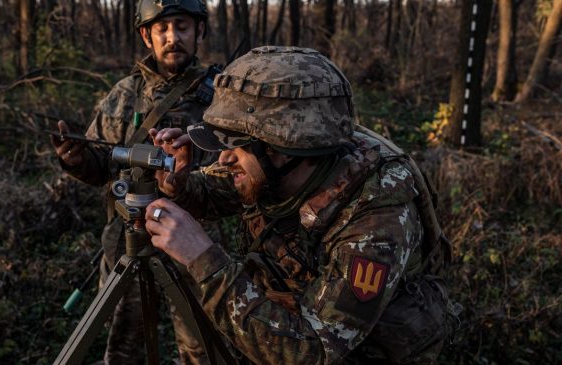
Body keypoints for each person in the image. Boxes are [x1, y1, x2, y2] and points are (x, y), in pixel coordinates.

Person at [144, 46, 455, 364]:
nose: (223, 158)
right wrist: (179, 185)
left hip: (360, 348)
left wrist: (204, 260)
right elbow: (220, 187)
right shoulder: (272, 165)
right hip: (292, 312)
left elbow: (313, 353)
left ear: (285, 150)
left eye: (236, 146)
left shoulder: (376, 219)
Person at [50, 1, 219, 364]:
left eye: (182, 26)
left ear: (200, 31)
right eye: (162, 28)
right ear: (146, 36)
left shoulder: (221, 97)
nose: (173, 37)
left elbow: (238, 176)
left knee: (202, 347)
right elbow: (101, 168)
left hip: (195, 245)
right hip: (131, 240)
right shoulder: (124, 94)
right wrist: (76, 159)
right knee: (125, 346)